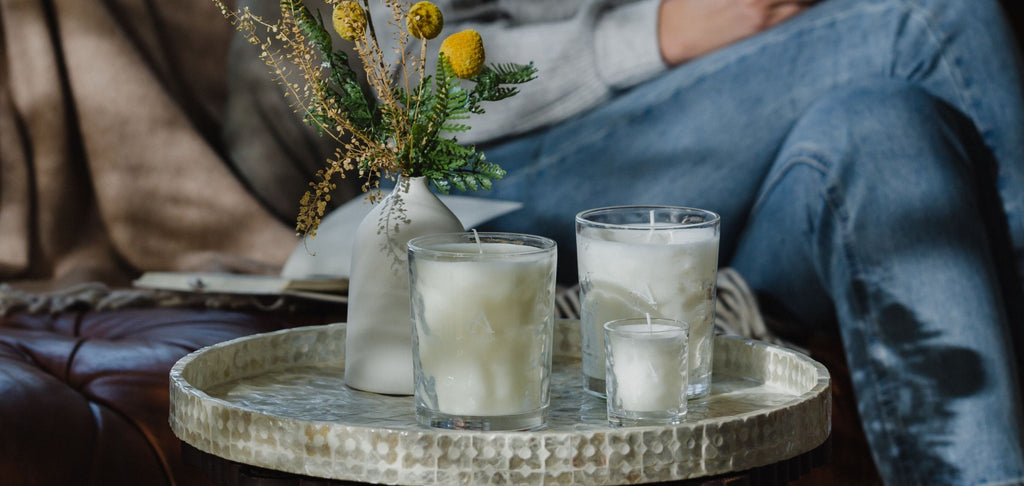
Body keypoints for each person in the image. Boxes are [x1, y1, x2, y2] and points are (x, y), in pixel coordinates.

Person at [337, 0, 1024, 484]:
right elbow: (406, 69)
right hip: (503, 175)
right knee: (933, 17)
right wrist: (657, 32)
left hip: (738, 198)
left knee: (881, 127)